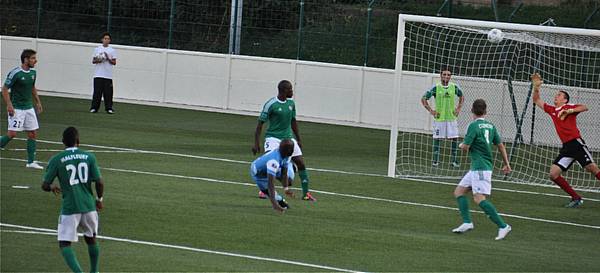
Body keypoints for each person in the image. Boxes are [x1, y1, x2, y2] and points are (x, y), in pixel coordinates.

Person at [531, 73, 600, 208]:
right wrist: (536, 88)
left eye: (559, 95)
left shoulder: (568, 107)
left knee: (592, 168)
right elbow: (537, 100)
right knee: (553, 174)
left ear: (565, 100)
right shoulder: (552, 110)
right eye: (556, 94)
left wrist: (570, 111)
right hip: (567, 147)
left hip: (576, 143)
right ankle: (576, 198)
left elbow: (584, 107)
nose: (556, 96)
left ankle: (576, 197)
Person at [42, 126, 104, 273]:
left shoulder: (56, 159)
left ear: (63, 142)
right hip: (89, 206)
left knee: (64, 243)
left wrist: (52, 188)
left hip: (70, 208)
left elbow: (45, 185)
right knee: (91, 238)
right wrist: (99, 199)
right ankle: (94, 271)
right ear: (78, 141)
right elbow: (99, 182)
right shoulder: (89, 156)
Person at [452, 99, 512, 240]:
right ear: (485, 111)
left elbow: (465, 147)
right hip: (478, 168)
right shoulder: (491, 126)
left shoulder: (473, 126)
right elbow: (501, 145)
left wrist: (461, 145)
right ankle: (467, 222)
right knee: (459, 192)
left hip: (480, 168)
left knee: (479, 198)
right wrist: (506, 164)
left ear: (472, 111)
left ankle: (503, 226)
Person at [252, 80, 316, 201]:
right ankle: (263, 190)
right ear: (283, 90)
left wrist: (298, 139)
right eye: (290, 89)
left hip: (288, 138)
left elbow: (293, 121)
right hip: (273, 138)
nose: (292, 91)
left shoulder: (291, 103)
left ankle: (306, 194)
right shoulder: (271, 104)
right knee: (269, 163)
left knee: (301, 163)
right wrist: (256, 143)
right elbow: (260, 124)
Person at [1, 49, 44, 169]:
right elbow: (4, 89)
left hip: (29, 108)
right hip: (17, 108)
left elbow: (32, 88)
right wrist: (9, 105)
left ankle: (31, 162)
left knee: (32, 133)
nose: (36, 61)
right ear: (26, 59)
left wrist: (38, 102)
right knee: (12, 134)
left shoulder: (33, 73)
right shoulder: (15, 73)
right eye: (33, 58)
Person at [421, 68, 465, 167]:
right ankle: (435, 161)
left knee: (454, 138)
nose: (446, 76)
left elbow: (462, 97)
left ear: (450, 77)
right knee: (437, 138)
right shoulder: (436, 87)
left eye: (448, 75)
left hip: (451, 118)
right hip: (439, 118)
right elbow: (423, 99)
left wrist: (458, 109)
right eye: (444, 74)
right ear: (440, 75)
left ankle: (454, 161)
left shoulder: (454, 87)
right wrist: (431, 111)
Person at [250, 139, 294, 213]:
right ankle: (279, 200)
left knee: (289, 180)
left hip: (273, 168)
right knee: (272, 194)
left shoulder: (286, 154)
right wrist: (275, 204)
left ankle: (293, 168)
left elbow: (284, 172)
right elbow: (271, 184)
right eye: (290, 149)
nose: (292, 151)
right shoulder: (273, 161)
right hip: (259, 175)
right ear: (284, 150)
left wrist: (286, 189)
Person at [90, 32, 117, 114]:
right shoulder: (97, 49)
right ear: (102, 39)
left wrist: (108, 58)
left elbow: (114, 62)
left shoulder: (112, 50)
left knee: (108, 93)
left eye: (108, 39)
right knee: (97, 93)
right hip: (98, 74)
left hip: (108, 75)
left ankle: (109, 108)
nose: (106, 40)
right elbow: (93, 61)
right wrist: (100, 59)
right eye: (105, 38)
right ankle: (94, 108)